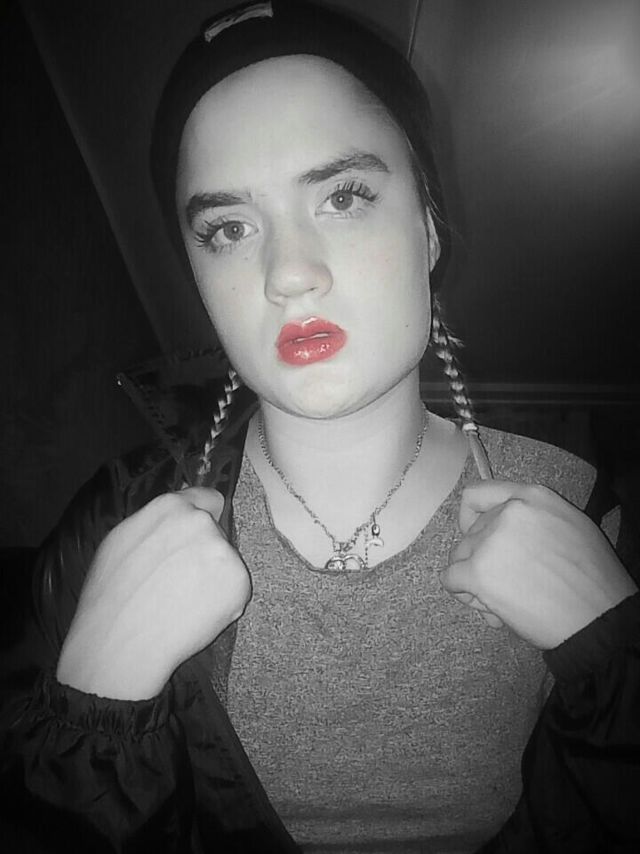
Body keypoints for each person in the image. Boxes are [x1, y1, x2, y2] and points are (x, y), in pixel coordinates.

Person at [1, 1, 639, 852]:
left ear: (429, 229)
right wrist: (93, 718)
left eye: (343, 196)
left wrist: (617, 664)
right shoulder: (111, 529)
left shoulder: (587, 504)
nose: (289, 274)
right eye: (229, 229)